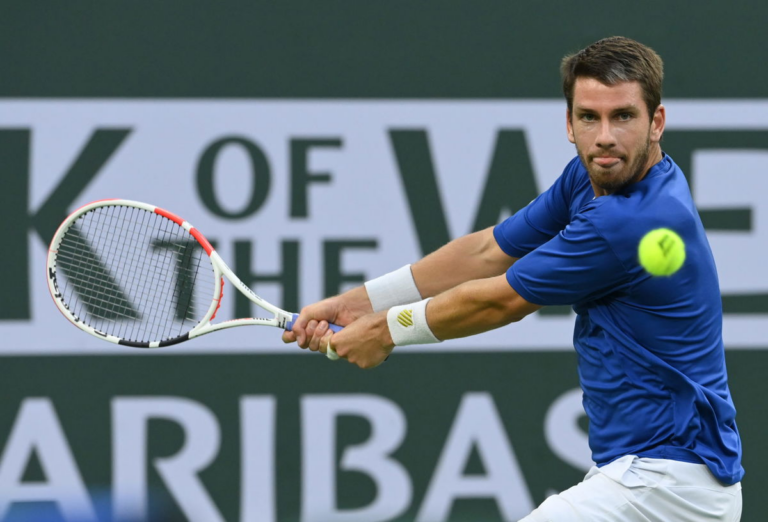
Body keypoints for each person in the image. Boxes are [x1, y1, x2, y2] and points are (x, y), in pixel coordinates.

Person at [283, 36, 743, 520]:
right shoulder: (588, 179)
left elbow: (499, 300)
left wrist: (383, 330)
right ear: (569, 124)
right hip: (654, 478)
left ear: (657, 122)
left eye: (623, 116)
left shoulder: (627, 222)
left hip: (667, 483)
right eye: (589, 117)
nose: (605, 136)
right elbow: (488, 251)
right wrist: (359, 303)